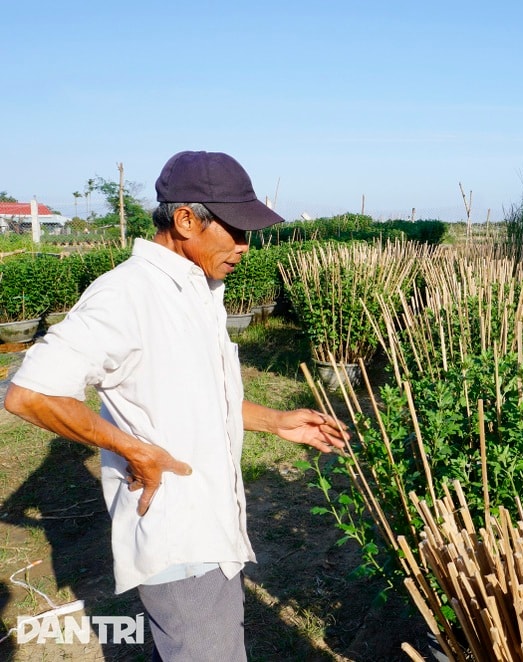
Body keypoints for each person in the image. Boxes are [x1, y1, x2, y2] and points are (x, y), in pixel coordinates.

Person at [4, 150, 349, 661]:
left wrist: (277, 422)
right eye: (235, 229)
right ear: (186, 220)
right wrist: (131, 449)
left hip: (212, 525)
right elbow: (29, 393)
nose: (245, 246)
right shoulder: (128, 295)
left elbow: (198, 396)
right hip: (179, 533)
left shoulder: (198, 290)